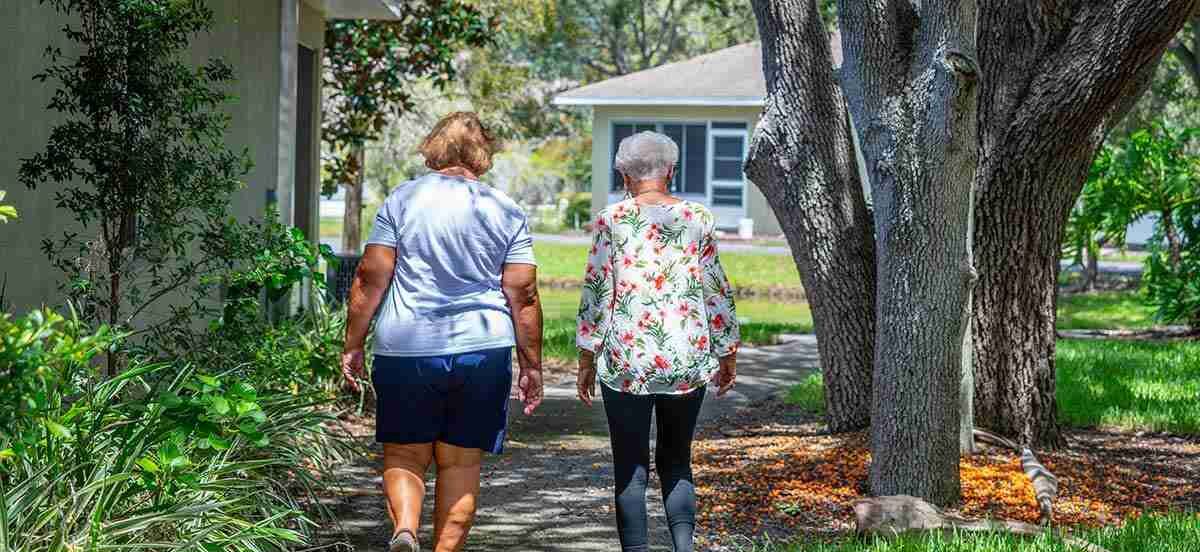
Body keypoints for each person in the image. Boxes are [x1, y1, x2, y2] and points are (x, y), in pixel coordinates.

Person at [340, 111, 544, 552]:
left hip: (406, 348)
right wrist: (532, 365)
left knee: (404, 454)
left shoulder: (403, 199)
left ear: (433, 147)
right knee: (460, 464)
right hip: (482, 350)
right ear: (484, 153)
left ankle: (405, 529)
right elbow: (523, 293)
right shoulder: (505, 209)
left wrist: (353, 343)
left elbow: (371, 277)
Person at [575, 131, 740, 551]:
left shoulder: (611, 219)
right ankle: (684, 546)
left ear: (624, 174)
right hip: (685, 357)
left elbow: (598, 289)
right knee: (677, 459)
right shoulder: (697, 217)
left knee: (630, 466)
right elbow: (715, 287)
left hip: (627, 359)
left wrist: (587, 356)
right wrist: (726, 350)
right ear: (671, 170)